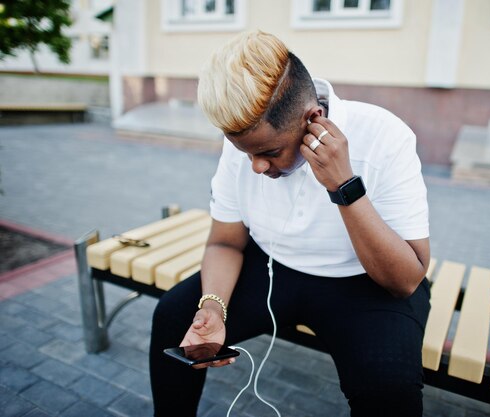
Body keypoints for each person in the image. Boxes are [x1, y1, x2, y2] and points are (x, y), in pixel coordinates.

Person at [149, 30, 431, 417]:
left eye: (268, 152)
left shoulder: (386, 136)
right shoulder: (248, 143)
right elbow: (225, 243)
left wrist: (343, 186)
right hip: (271, 269)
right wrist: (213, 308)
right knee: (172, 316)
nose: (257, 166)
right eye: (245, 153)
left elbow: (405, 280)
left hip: (365, 285)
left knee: (389, 387)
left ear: (314, 120)